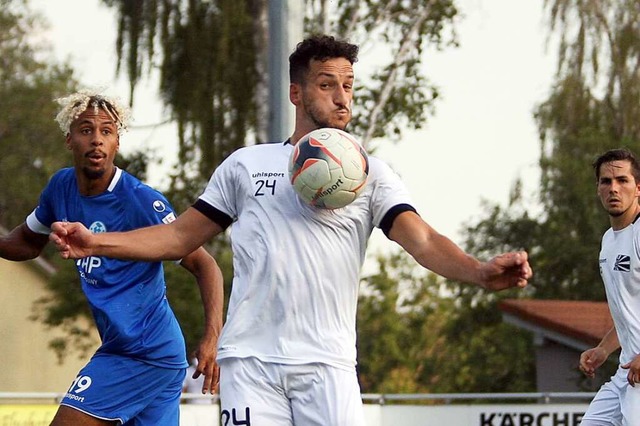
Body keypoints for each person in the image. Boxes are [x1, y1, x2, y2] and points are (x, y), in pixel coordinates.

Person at [49, 36, 532, 426]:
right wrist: (95, 241)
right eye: (328, 85)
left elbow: (422, 240)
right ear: (297, 93)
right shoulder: (246, 165)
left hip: (329, 365)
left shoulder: (369, 173)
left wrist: (480, 271)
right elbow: (178, 237)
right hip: (251, 364)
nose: (342, 98)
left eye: (348, 86)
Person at [0, 89, 224, 425]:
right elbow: (28, 243)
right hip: (137, 352)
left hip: (146, 352)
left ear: (117, 143)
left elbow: (205, 264)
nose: (97, 140)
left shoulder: (140, 200)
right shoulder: (60, 188)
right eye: (86, 130)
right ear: (69, 140)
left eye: (107, 131)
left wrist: (211, 338)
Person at [579, 148, 640, 426]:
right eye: (606, 181)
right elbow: (628, 314)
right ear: (598, 189)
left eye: (622, 180)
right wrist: (604, 349)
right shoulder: (608, 240)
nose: (614, 188)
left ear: (638, 188)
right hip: (626, 371)